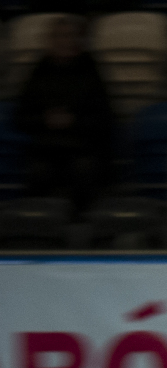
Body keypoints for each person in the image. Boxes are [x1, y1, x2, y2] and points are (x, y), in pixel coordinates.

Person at [14, 16, 115, 217]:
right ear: (49, 40)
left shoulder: (91, 70)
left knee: (84, 169)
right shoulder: (38, 71)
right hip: (47, 147)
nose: (64, 41)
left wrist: (73, 121)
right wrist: (45, 120)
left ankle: (82, 224)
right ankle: (39, 223)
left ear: (79, 40)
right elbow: (20, 117)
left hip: (83, 147)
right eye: (58, 36)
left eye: (69, 36)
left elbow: (105, 119)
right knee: (38, 172)